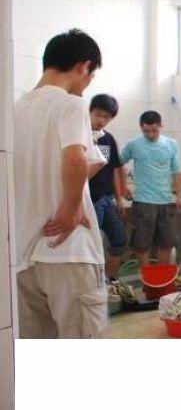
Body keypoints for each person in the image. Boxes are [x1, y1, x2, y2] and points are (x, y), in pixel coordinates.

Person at [14, 29, 108, 339]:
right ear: (84, 66)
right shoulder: (71, 105)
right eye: (90, 76)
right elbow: (74, 159)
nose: (87, 84)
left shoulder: (13, 110)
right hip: (67, 250)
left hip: (22, 255)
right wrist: (70, 207)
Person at [121, 111, 181, 266]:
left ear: (160, 126)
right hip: (143, 201)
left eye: (154, 130)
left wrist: (179, 196)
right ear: (141, 128)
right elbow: (117, 165)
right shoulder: (133, 145)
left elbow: (177, 172)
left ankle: (161, 276)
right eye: (146, 131)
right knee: (141, 244)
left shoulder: (171, 144)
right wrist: (122, 186)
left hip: (165, 201)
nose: (150, 134)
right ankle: (147, 276)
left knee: (167, 243)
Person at [88, 94, 130, 281]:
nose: (102, 121)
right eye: (98, 115)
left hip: (106, 199)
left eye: (107, 118)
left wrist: (119, 198)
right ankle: (93, 284)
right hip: (89, 200)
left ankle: (110, 281)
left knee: (119, 240)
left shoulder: (108, 138)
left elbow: (115, 169)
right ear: (90, 112)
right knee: (91, 245)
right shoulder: (80, 135)